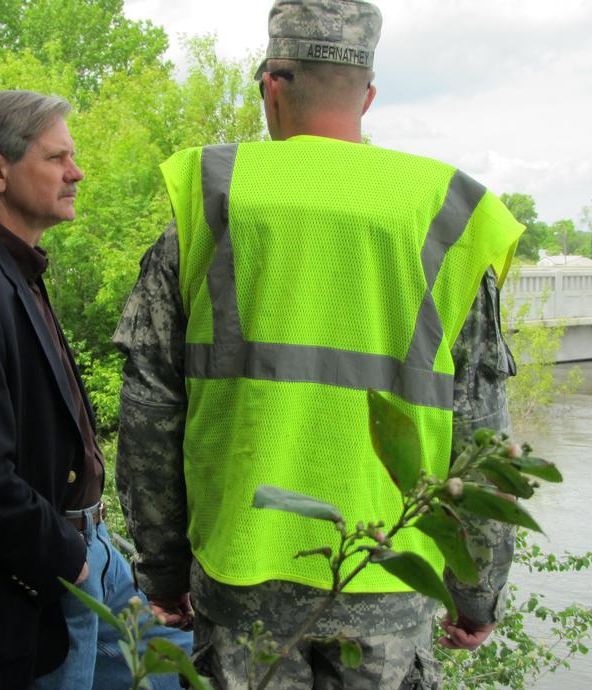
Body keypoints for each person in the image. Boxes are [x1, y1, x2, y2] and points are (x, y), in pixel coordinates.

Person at [113, 1, 525, 688]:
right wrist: (475, 591)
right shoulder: (444, 211)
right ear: (366, 93)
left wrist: (159, 570)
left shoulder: (212, 199)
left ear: (273, 84)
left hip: (239, 583)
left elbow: (151, 412)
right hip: (387, 581)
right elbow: (482, 434)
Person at [0, 90, 189, 690]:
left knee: (179, 672)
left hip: (89, 552)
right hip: (39, 577)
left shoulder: (8, 267)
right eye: (57, 158)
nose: (77, 172)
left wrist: (94, 556)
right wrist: (68, 563)